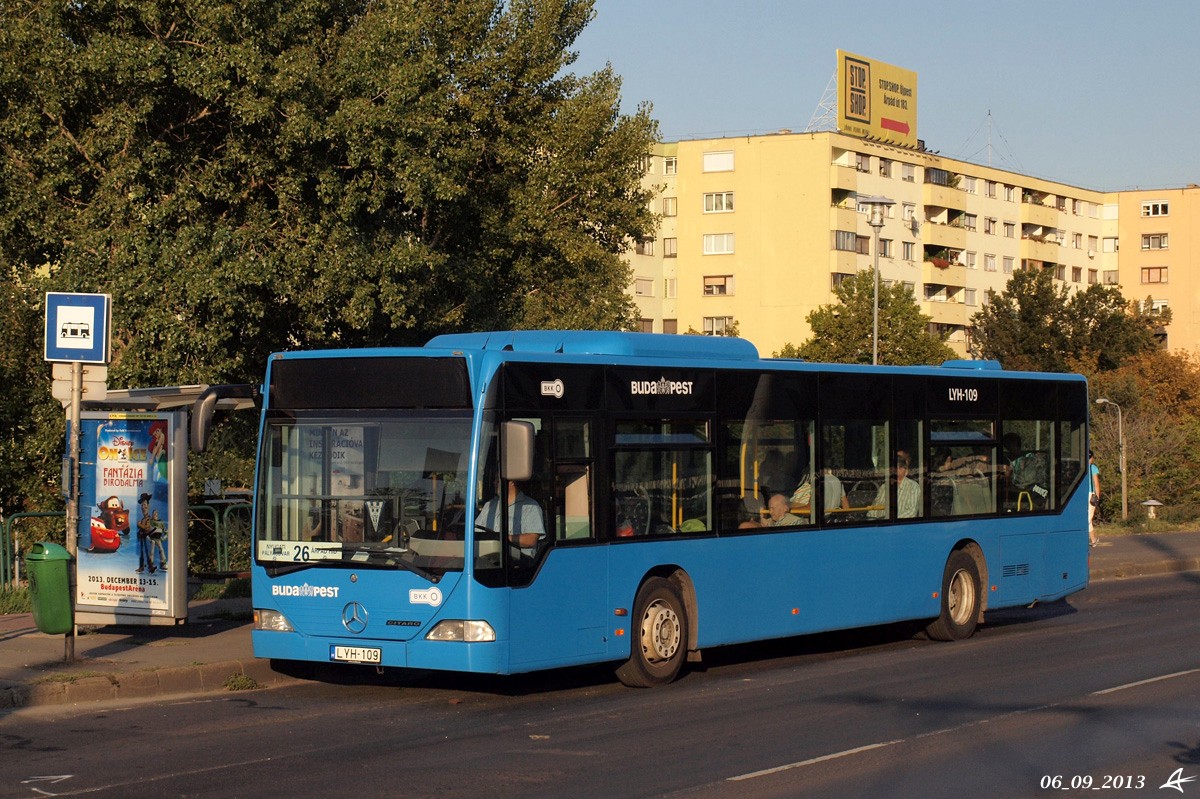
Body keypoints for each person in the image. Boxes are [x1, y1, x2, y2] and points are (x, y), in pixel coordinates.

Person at [476, 480, 546, 555]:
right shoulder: (489, 505)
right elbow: (476, 530)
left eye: (497, 480)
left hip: (518, 562)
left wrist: (502, 538)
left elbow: (531, 540)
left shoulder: (530, 506)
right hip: (487, 558)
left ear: (511, 482)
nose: (494, 482)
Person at [870, 451, 921, 519]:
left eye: (900, 467)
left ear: (905, 470)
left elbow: (911, 512)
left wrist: (889, 520)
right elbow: (874, 509)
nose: (896, 470)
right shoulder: (884, 487)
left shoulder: (913, 487)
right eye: (893, 467)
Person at [135, 493, 155, 574]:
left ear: (148, 506)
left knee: (147, 553)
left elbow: (147, 528)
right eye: (142, 505)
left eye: (144, 505)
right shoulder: (143, 519)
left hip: (147, 538)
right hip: (143, 538)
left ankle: (150, 567)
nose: (143, 507)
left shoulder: (148, 519)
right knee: (142, 553)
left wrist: (140, 525)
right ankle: (142, 567)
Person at [1088, 451, 1100, 547]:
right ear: (1091, 457)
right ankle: (1092, 540)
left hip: (1081, 494)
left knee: (1087, 518)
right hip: (1090, 495)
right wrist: (1098, 497)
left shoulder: (1080, 466)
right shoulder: (1093, 468)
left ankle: (1093, 539)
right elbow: (1096, 484)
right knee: (1088, 518)